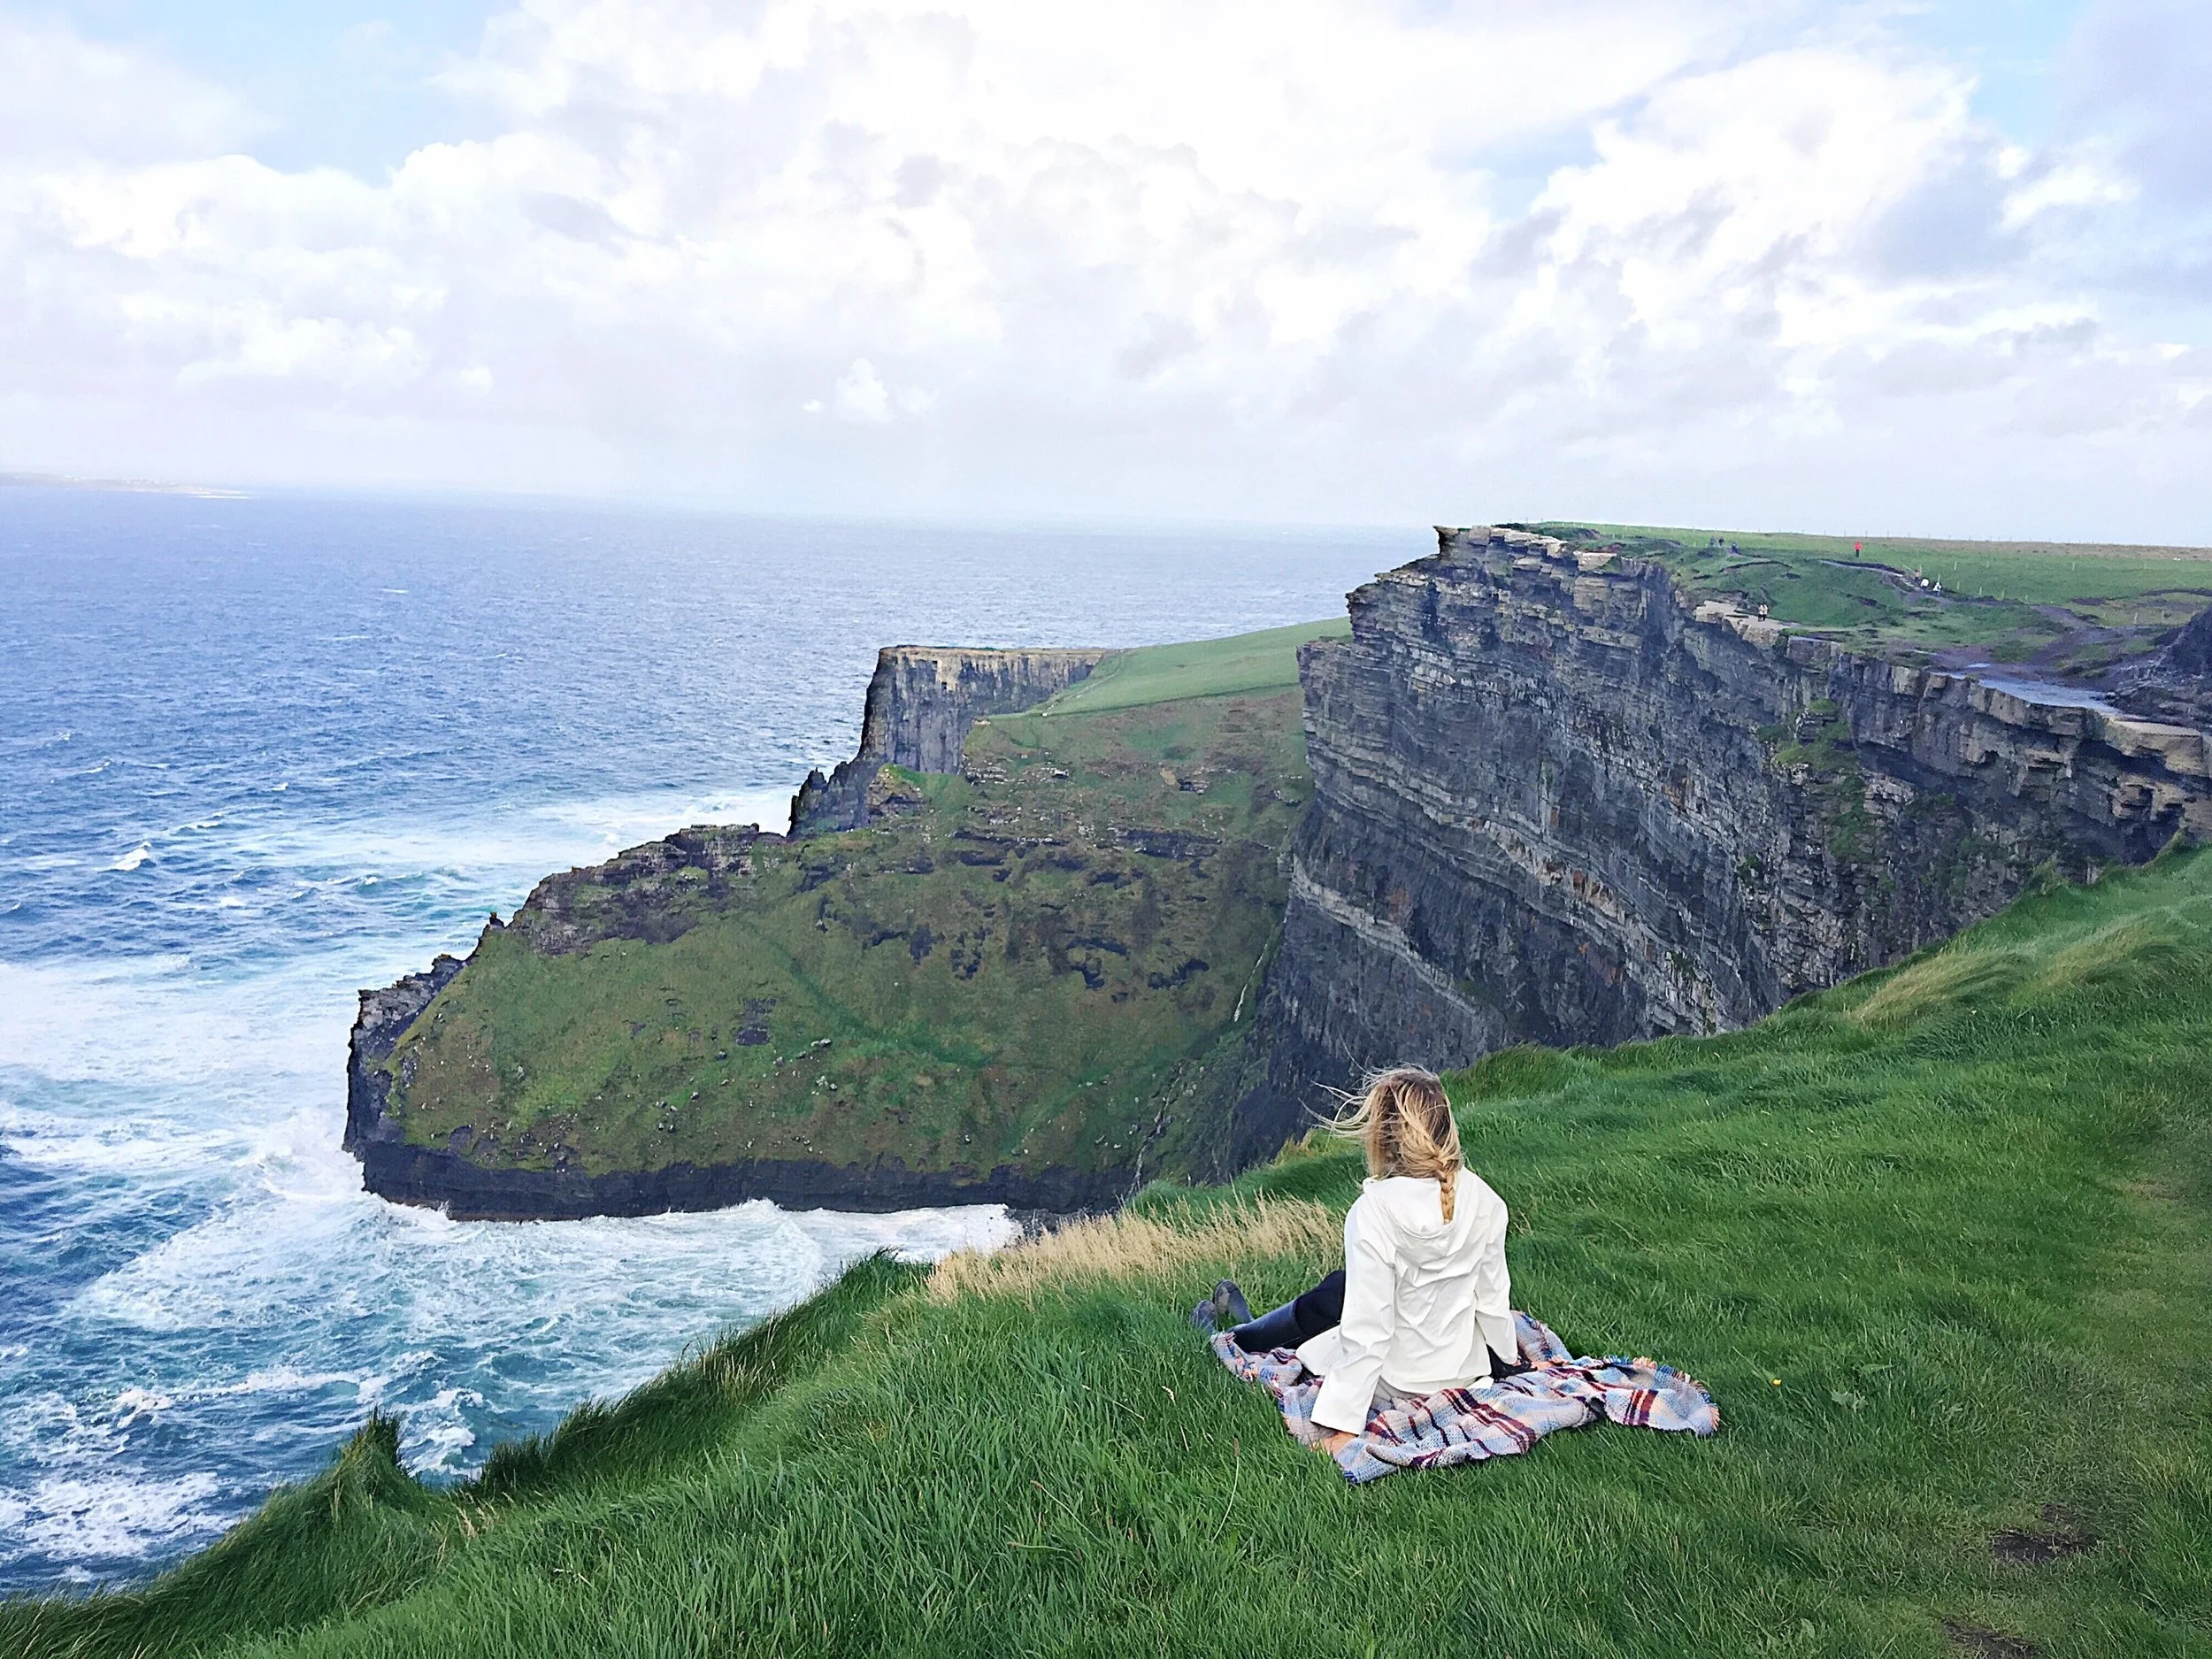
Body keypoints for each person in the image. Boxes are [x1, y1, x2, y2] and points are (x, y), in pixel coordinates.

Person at [1193, 1068, 1521, 1452]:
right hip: (1464, 1372)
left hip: (1400, 1381)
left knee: (1322, 1331)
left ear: (1382, 1136)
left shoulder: (1372, 1213)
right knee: (1337, 1289)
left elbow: (1370, 1330)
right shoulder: (1486, 1199)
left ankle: (1228, 1337)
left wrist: (1343, 1426)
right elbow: (1494, 1298)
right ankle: (1245, 1327)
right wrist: (1509, 1361)